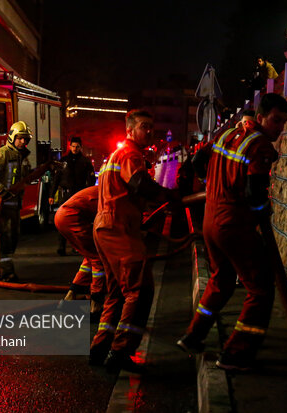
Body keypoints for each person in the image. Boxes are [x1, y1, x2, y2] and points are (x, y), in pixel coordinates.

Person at [177, 93, 287, 371]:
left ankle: (194, 335)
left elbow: (197, 161)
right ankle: (236, 353)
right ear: (261, 118)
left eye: (284, 122)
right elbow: (254, 193)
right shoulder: (260, 145)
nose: (279, 128)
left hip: (211, 220)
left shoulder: (229, 134)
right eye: (276, 120)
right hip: (234, 224)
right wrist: (262, 209)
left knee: (222, 278)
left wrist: (211, 184)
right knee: (260, 287)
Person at [89, 109, 179, 373]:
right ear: (129, 130)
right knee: (140, 290)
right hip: (119, 228)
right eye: (143, 126)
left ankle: (99, 347)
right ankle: (120, 352)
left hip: (105, 227)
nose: (149, 131)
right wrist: (168, 196)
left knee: (117, 291)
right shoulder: (130, 153)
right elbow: (140, 183)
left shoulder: (115, 156)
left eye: (151, 127)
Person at [0, 121, 32, 281]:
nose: (23, 142)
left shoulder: (22, 157)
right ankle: (7, 272)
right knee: (3, 239)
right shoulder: (2, 153)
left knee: (14, 238)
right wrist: (1, 191)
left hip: (14, 206)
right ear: (12, 137)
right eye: (20, 138)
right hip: (0, 206)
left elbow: (26, 177)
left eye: (25, 139)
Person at [54, 185, 105, 319]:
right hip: (72, 217)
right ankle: (96, 304)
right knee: (98, 257)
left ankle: (70, 298)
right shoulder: (112, 193)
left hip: (62, 216)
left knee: (89, 257)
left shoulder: (102, 188)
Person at [50, 136, 96, 256]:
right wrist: (51, 194)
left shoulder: (85, 162)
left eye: (77, 146)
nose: (75, 148)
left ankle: (77, 247)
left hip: (78, 195)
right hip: (65, 194)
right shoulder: (64, 161)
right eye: (73, 146)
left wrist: (87, 193)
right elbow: (56, 178)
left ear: (81, 147)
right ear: (70, 147)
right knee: (62, 222)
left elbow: (91, 179)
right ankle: (61, 247)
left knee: (78, 222)